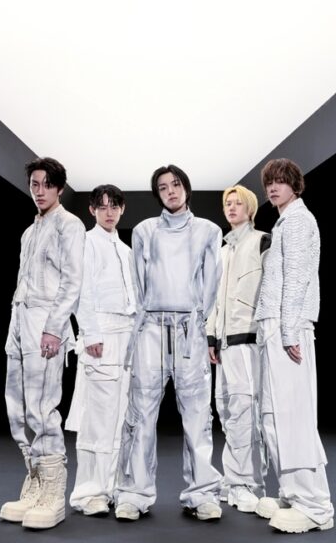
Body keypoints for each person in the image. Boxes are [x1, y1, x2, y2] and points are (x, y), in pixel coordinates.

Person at [114, 165, 223, 521]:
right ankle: (135, 493)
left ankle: (202, 493)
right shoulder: (144, 231)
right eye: (163, 187)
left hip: (190, 328)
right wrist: (144, 324)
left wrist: (198, 323)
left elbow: (211, 284)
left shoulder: (208, 231)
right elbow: (138, 284)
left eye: (176, 184)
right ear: (157, 194)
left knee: (197, 413)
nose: (171, 191)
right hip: (151, 327)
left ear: (186, 188)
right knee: (141, 412)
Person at [0, 157, 85, 530]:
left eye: (47, 184)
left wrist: (53, 327)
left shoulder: (70, 225)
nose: (40, 191)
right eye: (35, 184)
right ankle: (34, 483)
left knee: (42, 405)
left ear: (59, 188)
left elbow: (72, 281)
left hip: (45, 320)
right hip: (20, 317)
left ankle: (53, 492)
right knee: (17, 406)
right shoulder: (29, 231)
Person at [254, 158, 334, 533]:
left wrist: (288, 332)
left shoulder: (300, 221)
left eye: (281, 181)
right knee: (273, 415)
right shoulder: (284, 221)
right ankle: (292, 492)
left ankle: (315, 505)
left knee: (293, 415)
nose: (273, 187)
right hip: (274, 328)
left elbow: (298, 278)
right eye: (269, 182)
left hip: (288, 328)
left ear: (295, 185)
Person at [65, 184, 137, 516]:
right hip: (101, 336)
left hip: (126, 338)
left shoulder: (125, 250)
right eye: (102, 206)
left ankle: (113, 487)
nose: (109, 212)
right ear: (92, 210)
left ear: (122, 209)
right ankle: (88, 492)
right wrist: (91, 333)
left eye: (114, 206)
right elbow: (81, 291)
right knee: (97, 418)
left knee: (121, 417)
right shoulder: (86, 242)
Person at [207, 185, 270, 512]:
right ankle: (234, 480)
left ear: (250, 208)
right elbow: (214, 299)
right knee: (227, 410)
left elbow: (270, 291)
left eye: (238, 203)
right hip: (224, 343)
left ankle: (248, 483)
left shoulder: (261, 241)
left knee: (247, 409)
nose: (232, 208)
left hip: (248, 341)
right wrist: (211, 336)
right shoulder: (222, 251)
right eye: (228, 203)